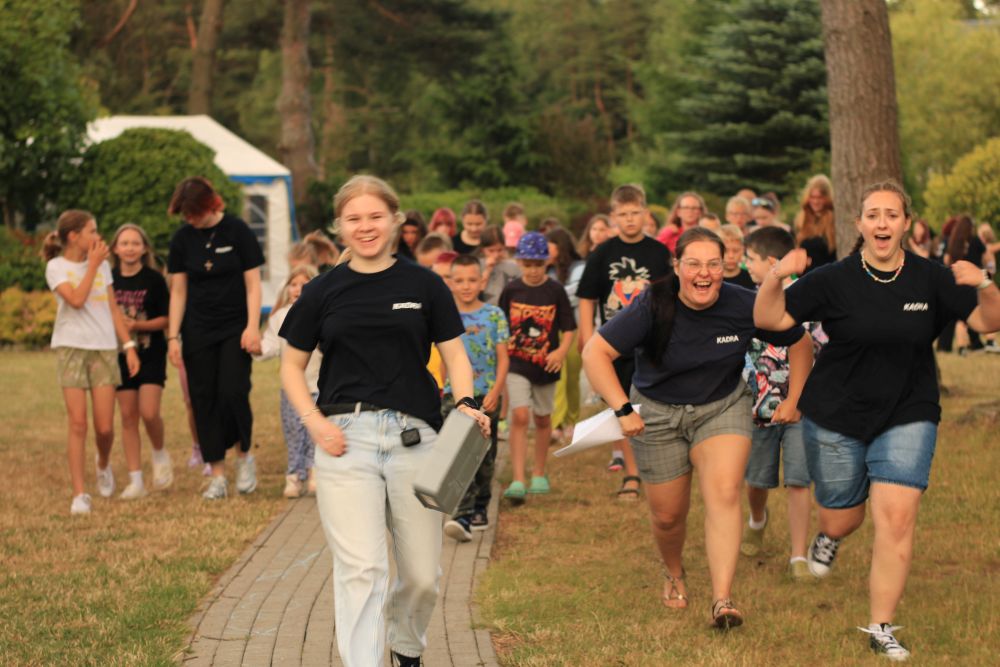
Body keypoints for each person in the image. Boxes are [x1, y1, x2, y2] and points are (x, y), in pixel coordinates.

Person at [753, 179, 1000, 661]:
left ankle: (881, 626)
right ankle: (829, 537)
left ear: (906, 223)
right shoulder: (833, 279)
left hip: (909, 410)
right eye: (873, 215)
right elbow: (770, 320)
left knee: (898, 518)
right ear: (860, 224)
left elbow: (988, 323)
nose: (882, 223)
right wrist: (776, 275)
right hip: (837, 414)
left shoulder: (932, 278)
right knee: (842, 516)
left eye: (891, 214)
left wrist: (985, 284)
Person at [278, 175, 489, 667]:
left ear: (395, 219)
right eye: (354, 218)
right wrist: (313, 422)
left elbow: (456, 356)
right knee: (362, 571)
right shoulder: (321, 290)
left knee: (422, 576)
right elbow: (289, 366)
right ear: (339, 226)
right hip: (343, 440)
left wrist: (465, 403)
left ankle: (406, 646)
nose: (366, 226)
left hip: (416, 439)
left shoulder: (425, 284)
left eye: (375, 216)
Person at [583, 227, 809, 628]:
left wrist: (794, 400)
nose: (703, 273)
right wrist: (622, 409)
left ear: (726, 267)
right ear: (677, 266)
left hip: (721, 407)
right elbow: (595, 352)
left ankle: (723, 600)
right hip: (657, 413)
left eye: (713, 264)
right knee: (668, 516)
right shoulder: (652, 303)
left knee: (724, 492)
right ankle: (674, 571)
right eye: (693, 264)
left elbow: (800, 341)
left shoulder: (745, 304)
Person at [166, 176, 264, 500]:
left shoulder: (238, 231)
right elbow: (178, 291)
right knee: (203, 399)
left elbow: (253, 284)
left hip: (235, 328)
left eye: (193, 213)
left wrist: (252, 326)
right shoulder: (182, 239)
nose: (189, 219)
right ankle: (217, 474)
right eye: (185, 215)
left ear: (210, 205)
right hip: (197, 330)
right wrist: (173, 337)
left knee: (233, 392)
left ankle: (244, 456)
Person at [577, 184, 672, 496]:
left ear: (645, 213)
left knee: (653, 407)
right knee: (623, 407)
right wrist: (587, 339)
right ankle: (632, 474)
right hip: (614, 346)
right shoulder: (602, 253)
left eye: (635, 213)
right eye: (623, 214)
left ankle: (659, 467)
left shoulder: (659, 253)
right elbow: (588, 298)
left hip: (652, 343)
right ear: (613, 216)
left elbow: (670, 298)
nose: (630, 219)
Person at [43, 210, 140, 515]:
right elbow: (75, 300)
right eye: (92, 231)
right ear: (74, 236)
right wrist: (93, 266)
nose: (98, 237)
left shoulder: (103, 266)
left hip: (103, 350)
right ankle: (80, 494)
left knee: (105, 427)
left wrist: (128, 345)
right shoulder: (56, 267)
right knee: (78, 423)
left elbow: (113, 309)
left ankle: (103, 462)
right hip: (71, 348)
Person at [739, 227, 821, 580]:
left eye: (751, 259)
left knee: (799, 480)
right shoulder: (749, 302)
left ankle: (798, 555)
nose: (746, 265)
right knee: (757, 479)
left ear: (773, 262)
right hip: (758, 410)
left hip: (802, 409)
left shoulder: (808, 300)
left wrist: (797, 399)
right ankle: (758, 519)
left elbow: (816, 350)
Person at [499, 232, 576, 502]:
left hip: (546, 366)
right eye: (528, 264)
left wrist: (561, 352)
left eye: (538, 265)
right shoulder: (511, 290)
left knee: (543, 418)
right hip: (517, 363)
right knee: (520, 416)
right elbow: (501, 326)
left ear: (547, 263)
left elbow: (569, 328)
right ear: (519, 262)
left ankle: (539, 472)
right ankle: (518, 478)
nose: (533, 270)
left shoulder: (555, 291)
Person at [441, 254, 510, 540]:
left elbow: (503, 359)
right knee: (458, 452)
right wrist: (442, 388)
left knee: (484, 455)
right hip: (454, 396)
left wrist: (496, 391)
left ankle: (481, 505)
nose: (466, 286)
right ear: (450, 283)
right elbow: (445, 358)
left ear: (482, 281)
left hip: (486, 394)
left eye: (472, 280)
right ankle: (463, 513)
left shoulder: (494, 315)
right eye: (459, 280)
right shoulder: (445, 315)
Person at [110, 223, 173, 498]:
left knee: (148, 412)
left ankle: (159, 453)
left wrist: (136, 325)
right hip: (119, 356)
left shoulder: (154, 280)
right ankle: (135, 480)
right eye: (124, 243)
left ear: (144, 248)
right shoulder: (109, 280)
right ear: (115, 248)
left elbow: (166, 319)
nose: (130, 248)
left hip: (151, 353)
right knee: (127, 416)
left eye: (135, 243)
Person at [255, 265, 321, 498]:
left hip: (318, 387)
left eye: (304, 284)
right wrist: (256, 347)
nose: (297, 289)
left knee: (315, 434)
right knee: (294, 434)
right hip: (292, 390)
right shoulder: (279, 317)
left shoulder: (321, 313)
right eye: (293, 284)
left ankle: (315, 474)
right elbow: (270, 346)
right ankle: (294, 477)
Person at [546, 227, 585, 443]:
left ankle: (572, 420)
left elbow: (576, 294)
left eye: (549, 246)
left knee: (572, 377)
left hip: (575, 328)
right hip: (553, 330)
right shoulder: (546, 269)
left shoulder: (579, 267)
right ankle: (557, 423)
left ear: (559, 247)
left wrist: (553, 294)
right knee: (558, 376)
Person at [793, 175, 837, 272]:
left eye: (820, 198)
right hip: (805, 275)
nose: (815, 201)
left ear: (827, 198)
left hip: (827, 273)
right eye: (812, 197)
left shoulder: (834, 220)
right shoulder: (801, 219)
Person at [478, 225, 521, 306]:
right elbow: (476, 289)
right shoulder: (476, 265)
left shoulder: (514, 267)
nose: (496, 255)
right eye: (491, 251)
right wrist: (487, 270)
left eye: (500, 250)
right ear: (482, 250)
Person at [718, 224, 755, 289]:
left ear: (743, 250)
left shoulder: (752, 278)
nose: (731, 256)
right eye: (725, 251)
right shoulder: (713, 279)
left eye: (736, 251)